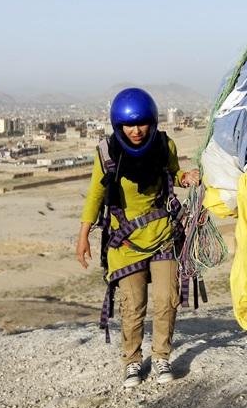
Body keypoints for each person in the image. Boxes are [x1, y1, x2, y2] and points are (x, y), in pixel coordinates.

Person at [76, 88, 200, 388]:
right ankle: (132, 361)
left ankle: (161, 357)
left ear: (152, 121)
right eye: (128, 125)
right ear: (118, 125)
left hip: (162, 236)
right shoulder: (106, 154)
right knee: (133, 304)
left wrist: (187, 177)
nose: (135, 130)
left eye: (141, 123)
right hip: (126, 242)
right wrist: (83, 237)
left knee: (167, 299)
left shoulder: (163, 144)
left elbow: (175, 174)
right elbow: (95, 196)